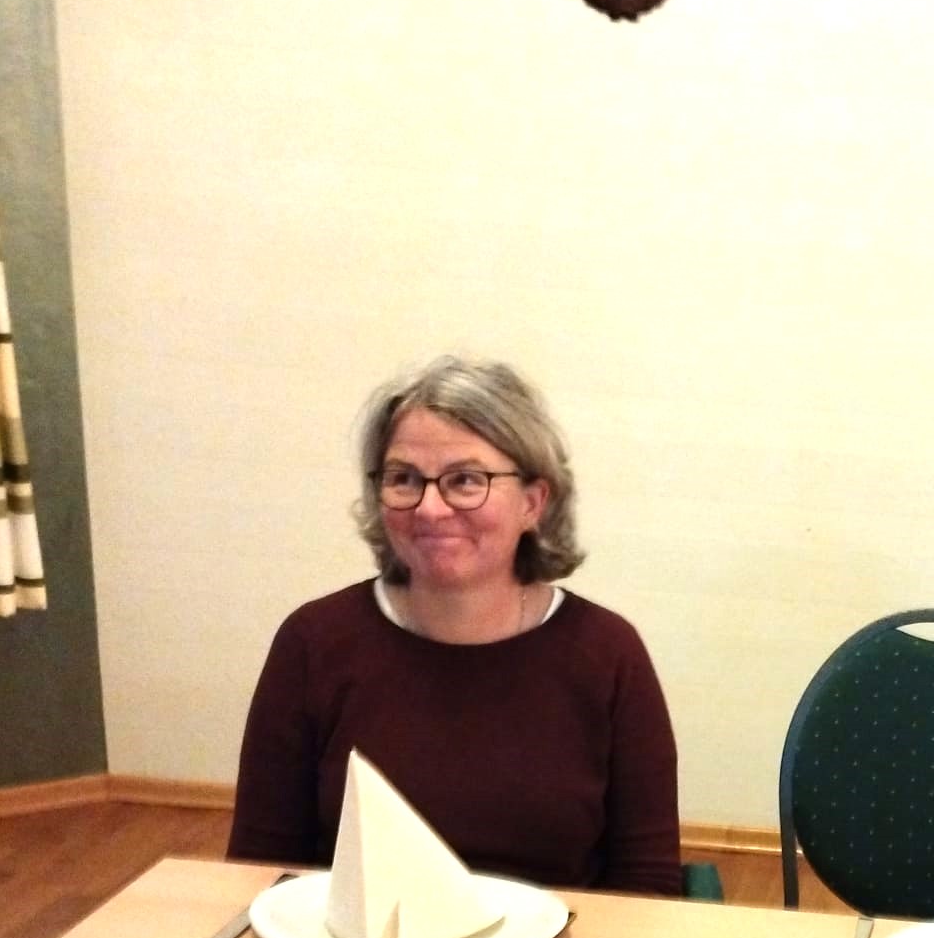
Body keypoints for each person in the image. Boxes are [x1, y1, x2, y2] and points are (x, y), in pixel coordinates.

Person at [228, 355, 681, 895]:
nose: (430, 508)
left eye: (466, 481)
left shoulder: (607, 653)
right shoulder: (314, 643)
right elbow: (261, 871)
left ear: (533, 502)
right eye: (404, 479)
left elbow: (647, 885)